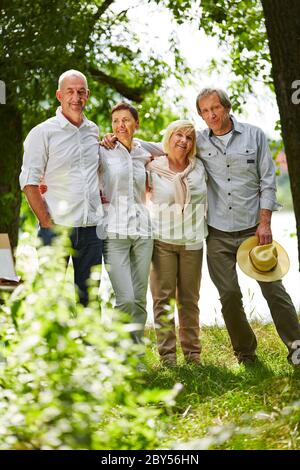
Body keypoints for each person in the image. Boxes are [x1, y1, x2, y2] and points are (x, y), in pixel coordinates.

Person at [195, 88, 300, 365]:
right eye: (205, 111)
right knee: (229, 294)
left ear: (227, 108)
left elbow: (268, 182)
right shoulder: (198, 141)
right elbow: (168, 146)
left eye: (215, 108)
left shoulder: (254, 135)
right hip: (217, 233)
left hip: (254, 231)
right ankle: (246, 353)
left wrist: (265, 223)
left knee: (274, 290)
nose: (211, 115)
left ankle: (296, 348)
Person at [19, 69, 103, 306]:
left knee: (90, 300)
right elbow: (29, 182)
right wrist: (47, 223)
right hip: (56, 228)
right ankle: (48, 344)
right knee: (51, 299)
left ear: (88, 95)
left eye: (81, 92)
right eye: (70, 92)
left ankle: (88, 344)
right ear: (59, 95)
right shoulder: (43, 132)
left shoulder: (93, 131)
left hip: (91, 229)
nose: (76, 98)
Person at [147, 120, 207, 367]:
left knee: (190, 301)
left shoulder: (199, 167)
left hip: (193, 241)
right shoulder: (152, 167)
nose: (183, 140)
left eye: (189, 137)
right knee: (163, 300)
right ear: (168, 137)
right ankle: (168, 357)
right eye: (178, 135)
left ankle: (193, 355)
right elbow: (135, 145)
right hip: (162, 242)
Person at [99, 102, 153, 344]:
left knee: (140, 297)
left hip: (143, 232)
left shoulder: (145, 152)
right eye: (115, 121)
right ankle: (118, 351)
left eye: (126, 120)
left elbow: (175, 146)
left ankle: (136, 352)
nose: (120, 125)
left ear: (136, 124)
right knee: (126, 298)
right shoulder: (103, 151)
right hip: (114, 232)